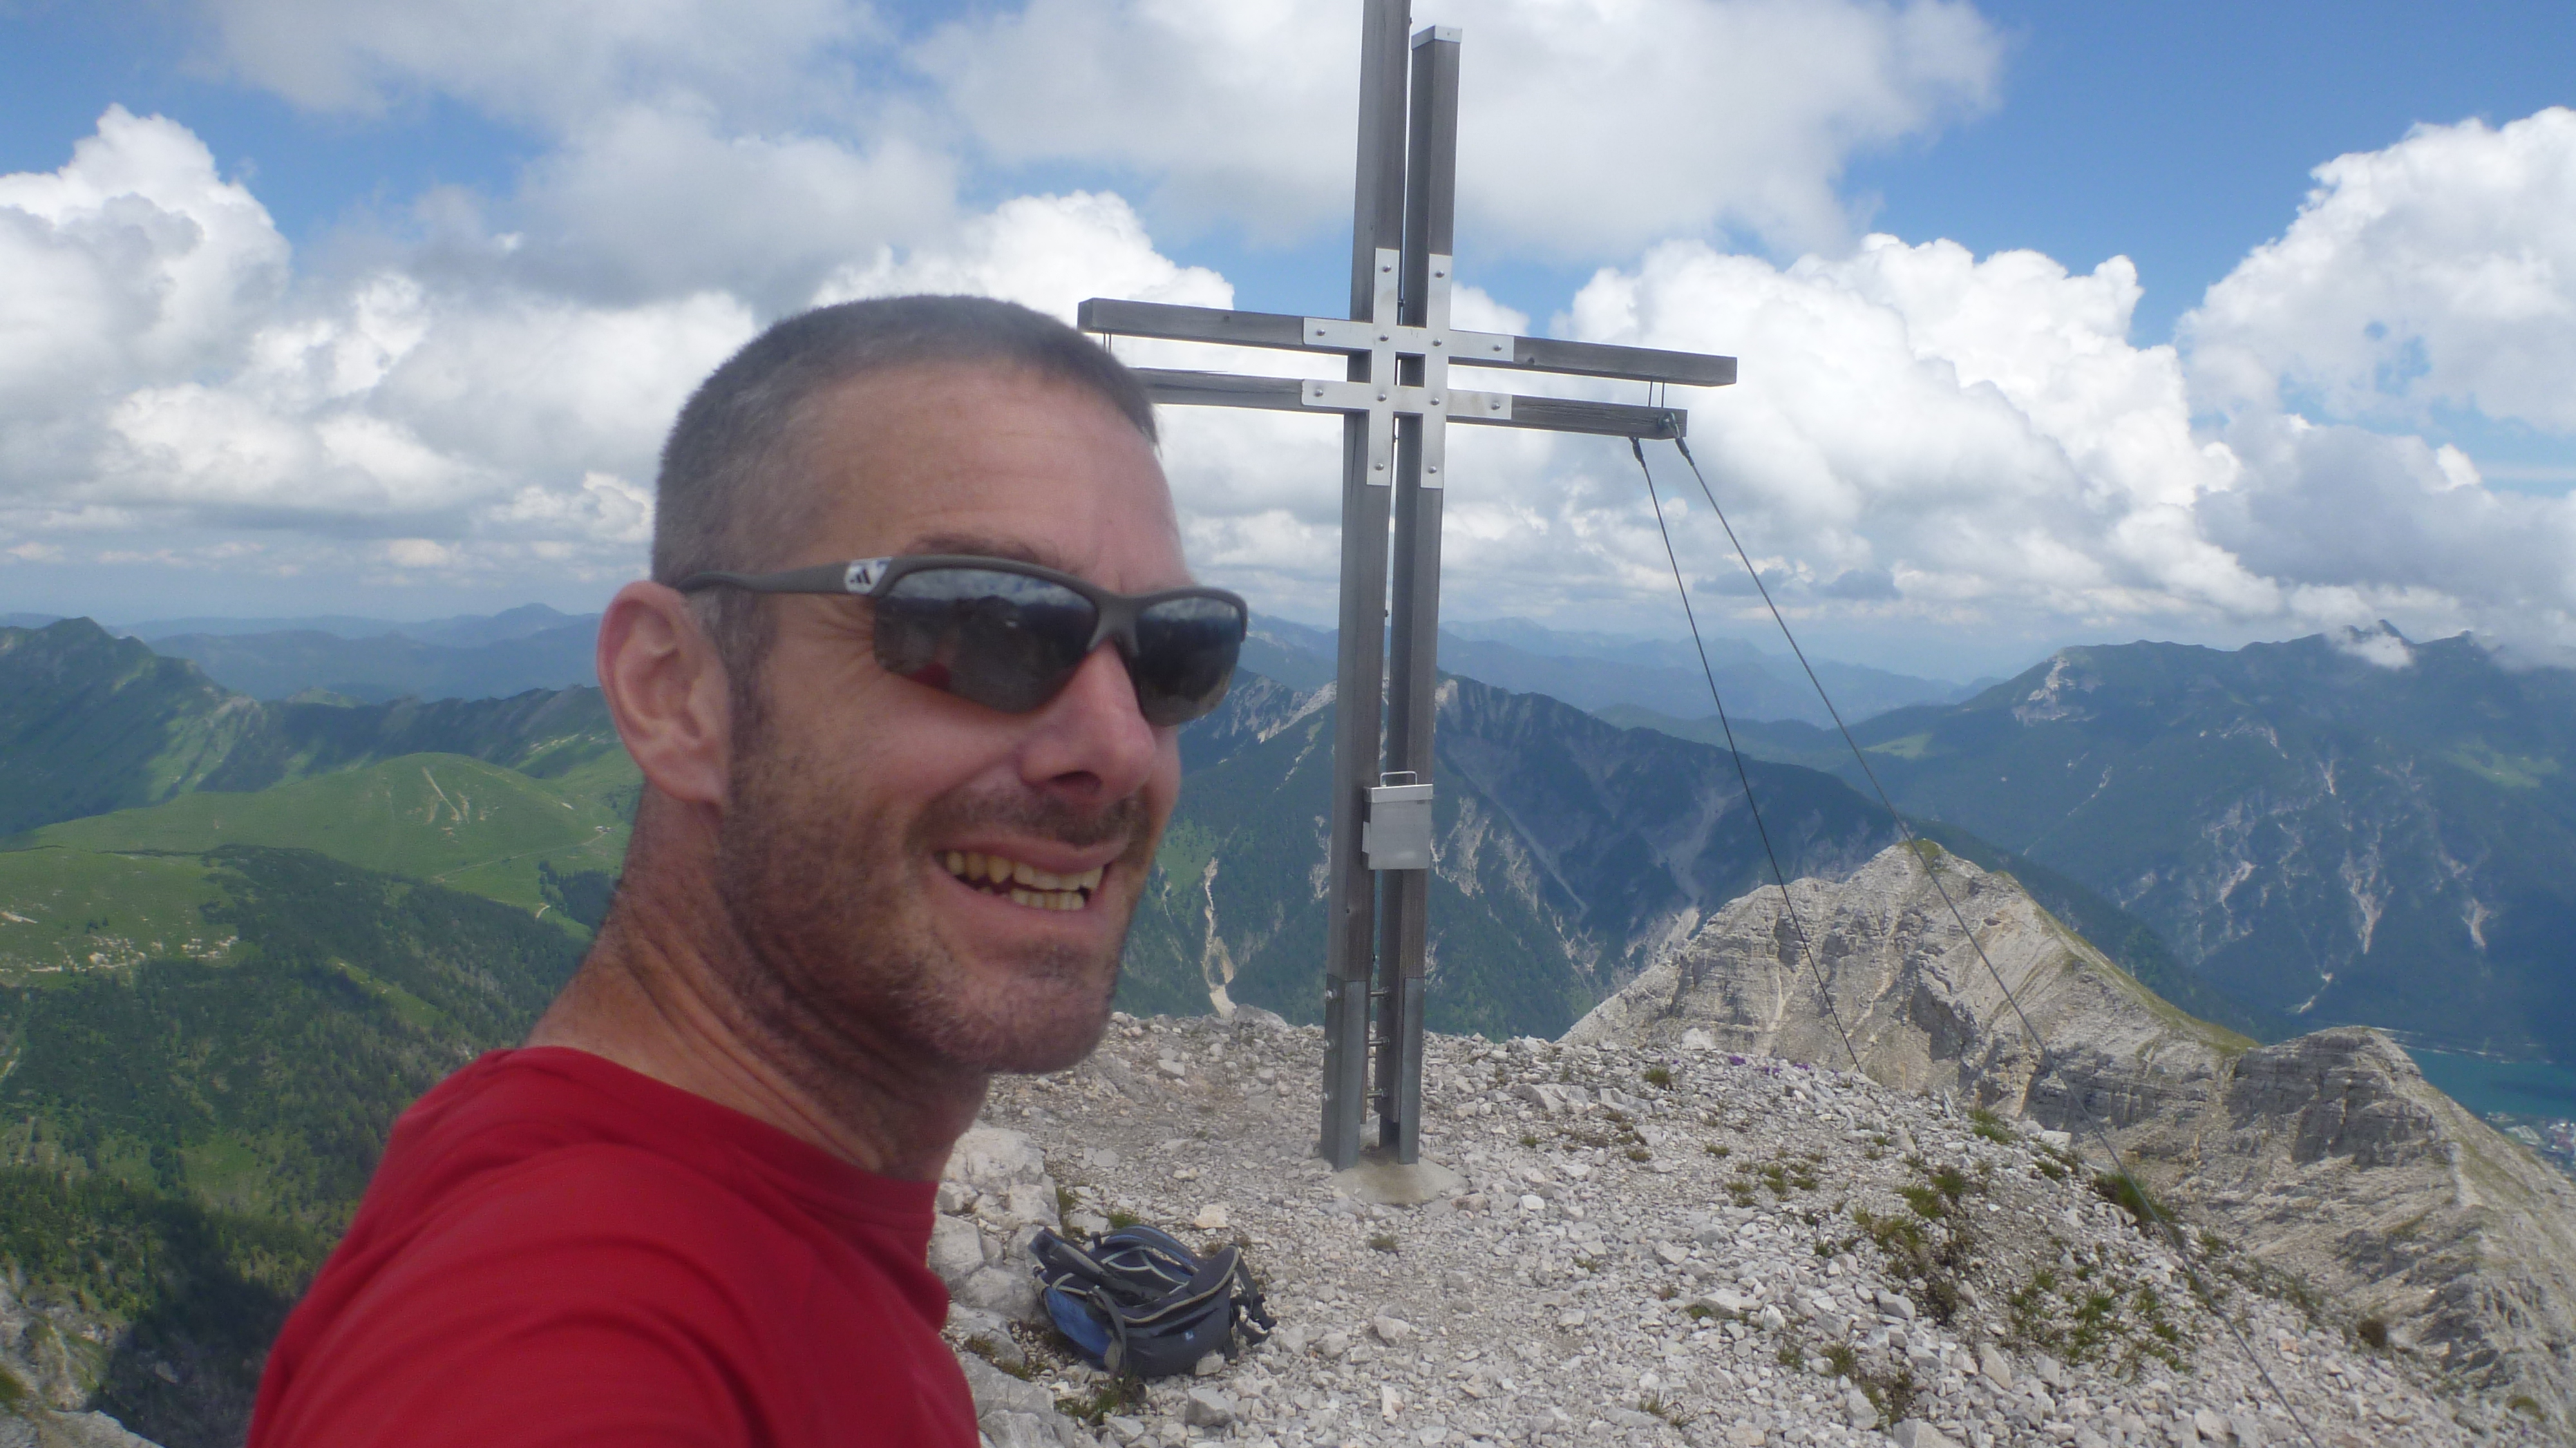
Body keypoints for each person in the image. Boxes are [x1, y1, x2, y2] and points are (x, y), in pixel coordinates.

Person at [246, 296, 1247, 1447]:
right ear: (674, 693)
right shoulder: (560, 1319)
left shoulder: (751, 1234)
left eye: (1176, 651)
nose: (1122, 745)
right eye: (985, 625)